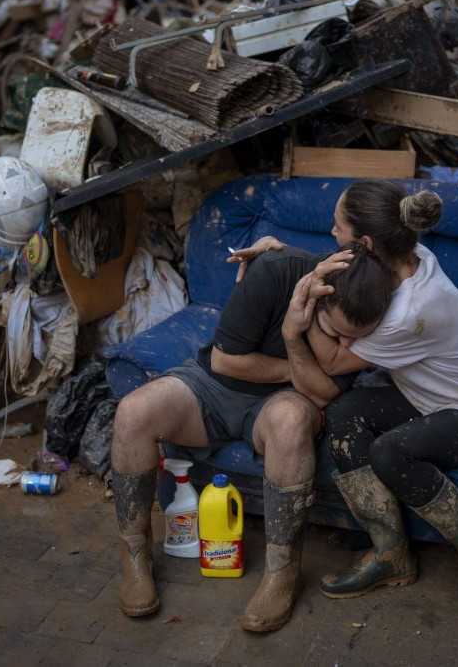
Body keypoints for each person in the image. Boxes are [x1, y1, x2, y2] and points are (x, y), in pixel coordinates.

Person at [228, 180, 458, 634]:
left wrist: (301, 312)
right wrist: (279, 253)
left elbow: (330, 363)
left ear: (363, 243)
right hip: (424, 398)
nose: (330, 232)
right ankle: (390, 555)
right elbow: (345, 269)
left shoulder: (411, 310)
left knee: (390, 452)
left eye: (337, 226)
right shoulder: (408, 256)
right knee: (346, 415)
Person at [111, 244, 395, 633]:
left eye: (355, 341)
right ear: (316, 296)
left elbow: (324, 394)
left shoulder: (373, 307)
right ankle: (134, 554)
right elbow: (225, 362)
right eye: (336, 334)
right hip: (213, 385)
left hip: (281, 403)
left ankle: (282, 572)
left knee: (292, 418)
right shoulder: (276, 272)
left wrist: (294, 338)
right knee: (133, 412)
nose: (345, 349)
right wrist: (300, 368)